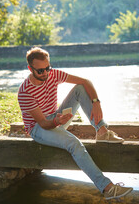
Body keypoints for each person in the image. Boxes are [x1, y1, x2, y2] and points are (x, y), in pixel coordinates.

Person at [18, 47, 133, 200]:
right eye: (40, 71)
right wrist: (57, 121)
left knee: (80, 88)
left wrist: (96, 102)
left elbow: (85, 81)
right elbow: (44, 124)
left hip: (55, 117)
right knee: (74, 143)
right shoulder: (25, 92)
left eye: (47, 68)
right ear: (30, 69)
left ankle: (102, 131)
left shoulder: (53, 74)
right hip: (39, 128)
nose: (45, 73)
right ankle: (107, 188)